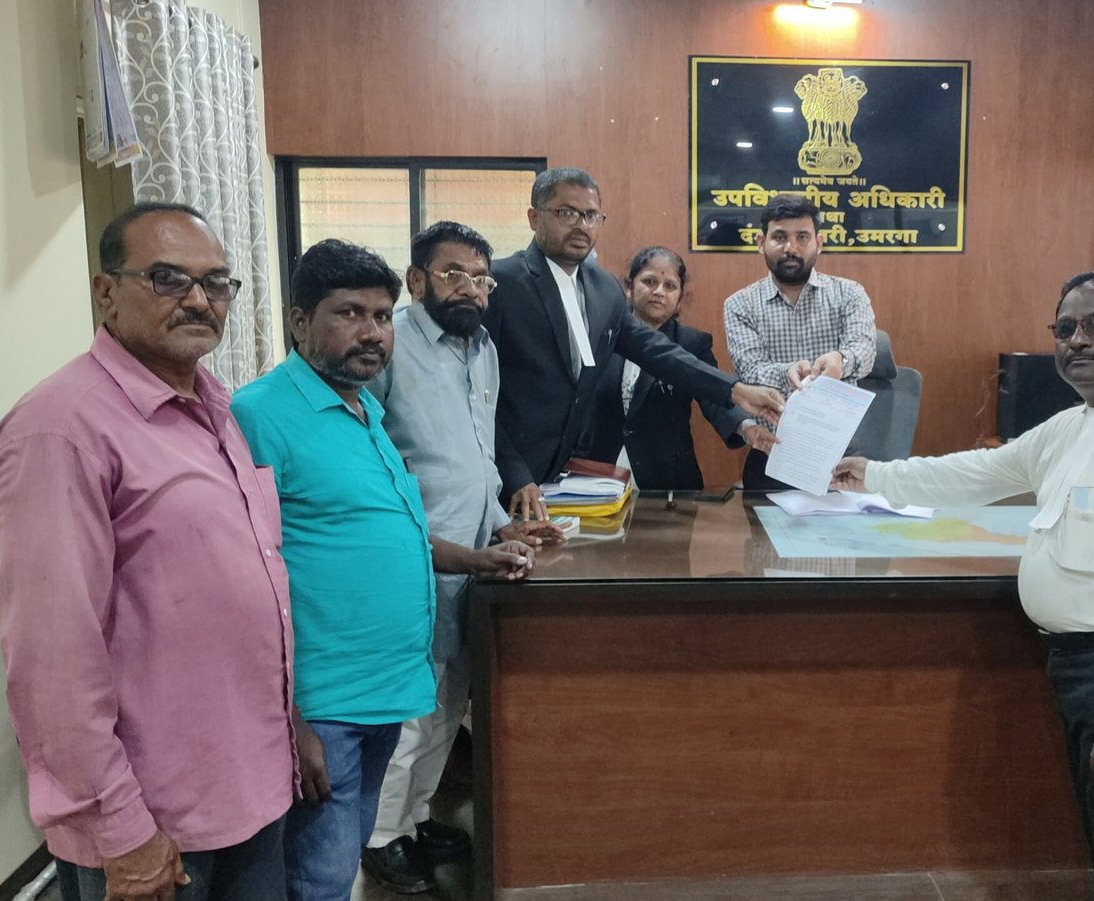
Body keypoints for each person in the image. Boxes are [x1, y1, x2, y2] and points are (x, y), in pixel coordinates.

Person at [833, 271, 1094, 900]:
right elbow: (982, 473)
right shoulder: (1076, 424)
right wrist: (876, 475)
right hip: (1080, 666)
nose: (1078, 340)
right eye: (1065, 329)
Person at [0, 202, 296, 901]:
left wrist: (288, 732)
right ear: (106, 292)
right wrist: (121, 830)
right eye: (167, 278)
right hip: (153, 822)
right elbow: (51, 660)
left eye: (215, 282)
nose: (198, 299)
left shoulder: (214, 407)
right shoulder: (59, 429)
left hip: (250, 791)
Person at [231, 239, 446, 901]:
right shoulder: (258, 414)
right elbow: (245, 572)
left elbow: (380, 530)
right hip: (321, 702)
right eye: (349, 313)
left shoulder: (363, 407)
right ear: (300, 322)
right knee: (317, 878)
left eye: (381, 316)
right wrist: (289, 715)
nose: (372, 332)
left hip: (383, 689)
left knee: (343, 856)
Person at [360, 221, 563, 893]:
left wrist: (506, 524)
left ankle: (416, 817)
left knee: (450, 702)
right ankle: (380, 836)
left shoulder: (482, 348)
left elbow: (479, 453)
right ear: (416, 279)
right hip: (416, 557)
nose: (470, 288)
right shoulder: (388, 345)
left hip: (476, 555)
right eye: (453, 274)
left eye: (480, 278)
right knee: (410, 708)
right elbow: (366, 454)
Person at [485, 167, 785, 519]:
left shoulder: (601, 288)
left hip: (570, 489)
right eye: (567, 213)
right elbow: (479, 397)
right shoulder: (500, 283)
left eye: (591, 215)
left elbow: (655, 351)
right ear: (535, 218)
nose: (582, 225)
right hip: (509, 479)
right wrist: (516, 473)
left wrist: (735, 390)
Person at [582, 245, 776, 489]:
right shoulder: (603, 334)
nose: (659, 292)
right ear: (629, 288)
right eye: (649, 282)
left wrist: (746, 427)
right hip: (599, 470)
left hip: (667, 479)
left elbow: (712, 395)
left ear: (679, 299)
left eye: (670, 286)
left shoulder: (692, 343)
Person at [724, 196, 877, 489]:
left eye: (802, 237)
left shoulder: (849, 294)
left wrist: (840, 361)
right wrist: (787, 372)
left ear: (819, 243)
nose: (791, 248)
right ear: (761, 242)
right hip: (771, 454)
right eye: (780, 237)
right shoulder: (740, 304)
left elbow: (864, 350)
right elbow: (749, 371)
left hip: (840, 460)